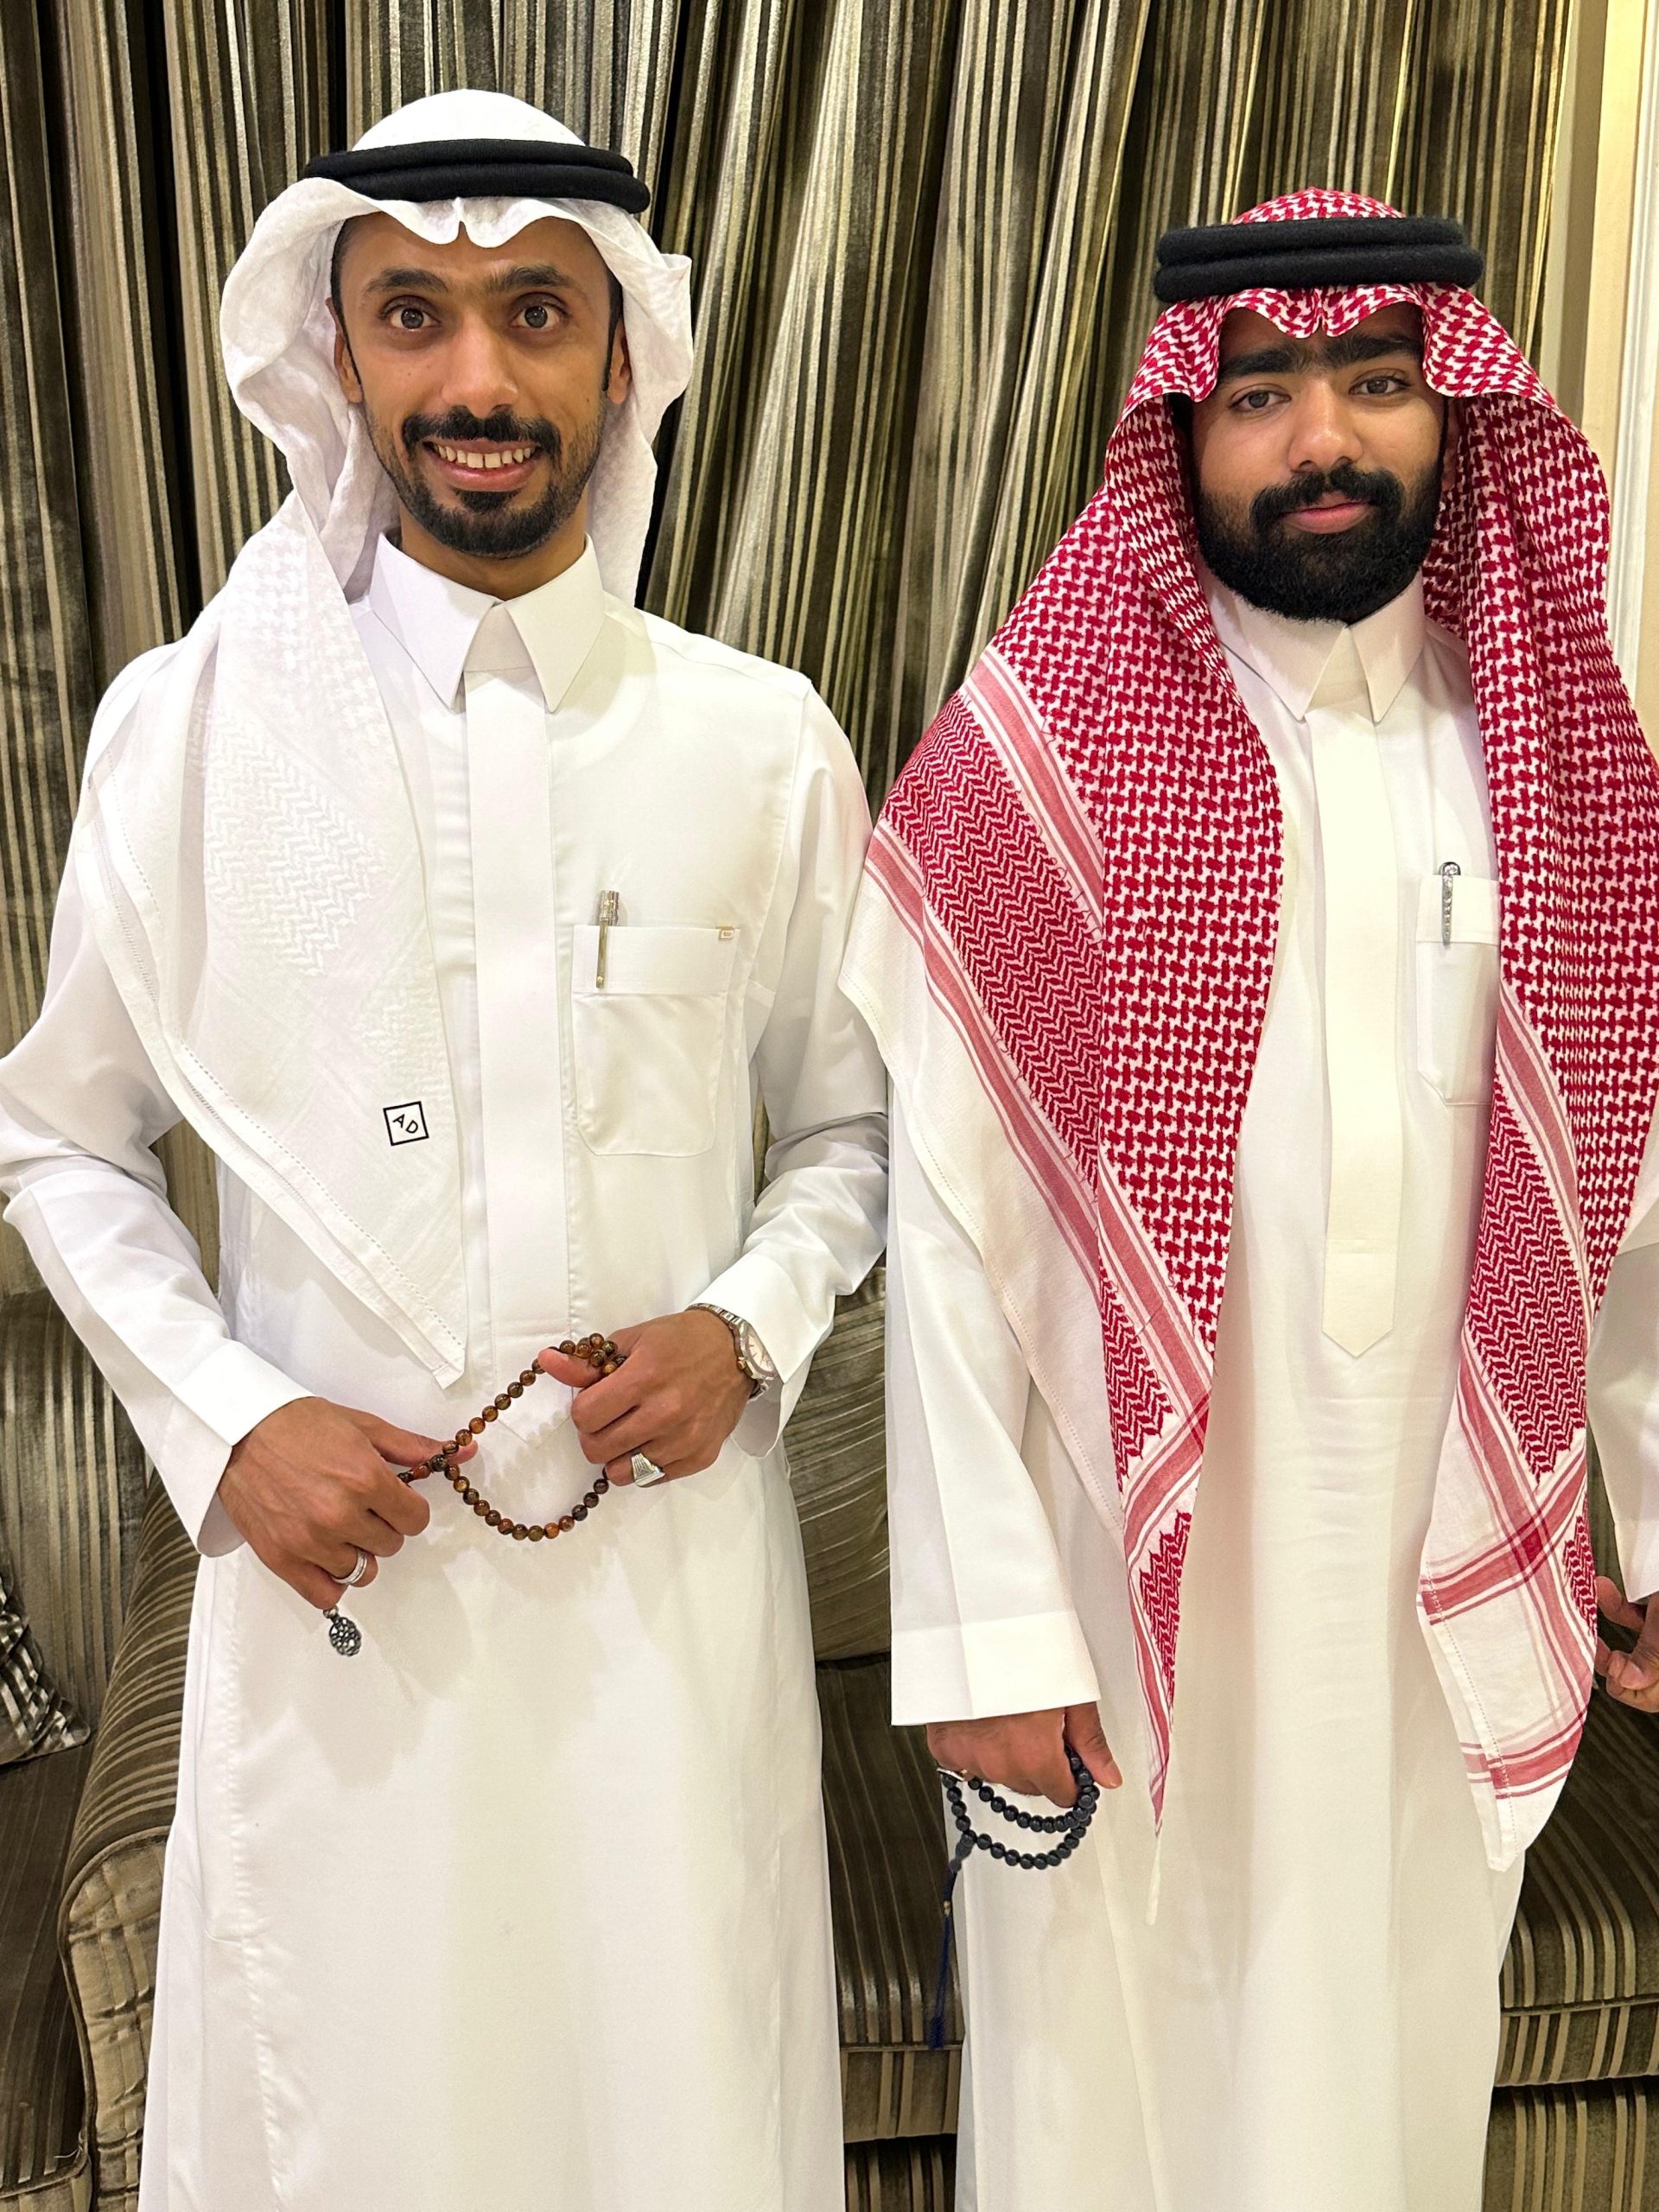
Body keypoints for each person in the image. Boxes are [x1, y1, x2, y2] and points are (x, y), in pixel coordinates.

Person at [0, 88, 887, 2212]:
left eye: (535, 314)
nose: (478, 378)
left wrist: (748, 1326)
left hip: (666, 1617)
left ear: (622, 351)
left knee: (677, 2113)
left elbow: (854, 1128)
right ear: (340, 352)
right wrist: (226, 1420)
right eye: (415, 313)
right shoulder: (188, 735)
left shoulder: (761, 742)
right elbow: (61, 1141)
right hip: (346, 1634)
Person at [842, 189, 1659, 2209]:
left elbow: (1627, 1181)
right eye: (1263, 392)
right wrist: (980, 1625)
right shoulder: (1043, 754)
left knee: (1395, 2038)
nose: (1325, 438)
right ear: (1183, 433)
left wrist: (1652, 1517)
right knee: (1115, 2067)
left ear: (1455, 412)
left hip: (1434, 1566)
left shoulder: (1552, 760)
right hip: (1121, 1594)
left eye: (1377, 380)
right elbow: (946, 1221)